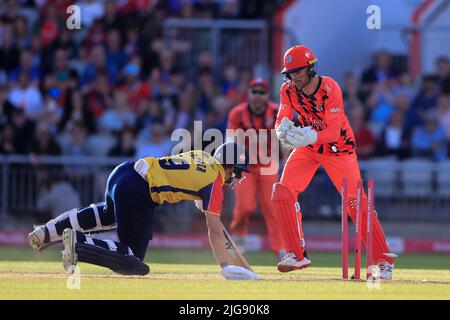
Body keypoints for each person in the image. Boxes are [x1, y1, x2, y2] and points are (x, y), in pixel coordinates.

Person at [28, 142, 259, 280]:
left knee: (107, 215)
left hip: (125, 172)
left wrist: (198, 197)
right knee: (134, 259)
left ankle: (46, 231)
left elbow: (185, 176)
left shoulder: (205, 158)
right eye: (237, 172)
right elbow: (215, 232)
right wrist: (225, 266)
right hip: (140, 190)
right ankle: (77, 242)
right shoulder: (215, 181)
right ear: (228, 166)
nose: (236, 178)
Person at [273, 45, 397, 280]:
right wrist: (281, 130)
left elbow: (332, 130)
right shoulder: (287, 90)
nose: (294, 77)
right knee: (282, 192)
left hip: (338, 148)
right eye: (290, 72)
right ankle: (296, 254)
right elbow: (282, 116)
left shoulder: (329, 87)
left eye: (299, 71)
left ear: (311, 68)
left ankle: (383, 261)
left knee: (355, 202)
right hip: (309, 148)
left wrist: (308, 134)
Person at [227, 78, 284, 258]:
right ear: (248, 93)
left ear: (267, 95)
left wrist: (286, 161)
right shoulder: (237, 113)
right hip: (244, 166)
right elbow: (230, 140)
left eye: (262, 92)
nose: (258, 96)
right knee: (244, 207)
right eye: (255, 91)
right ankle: (238, 242)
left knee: (272, 208)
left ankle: (281, 249)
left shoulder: (276, 112)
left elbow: (285, 139)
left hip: (268, 166)